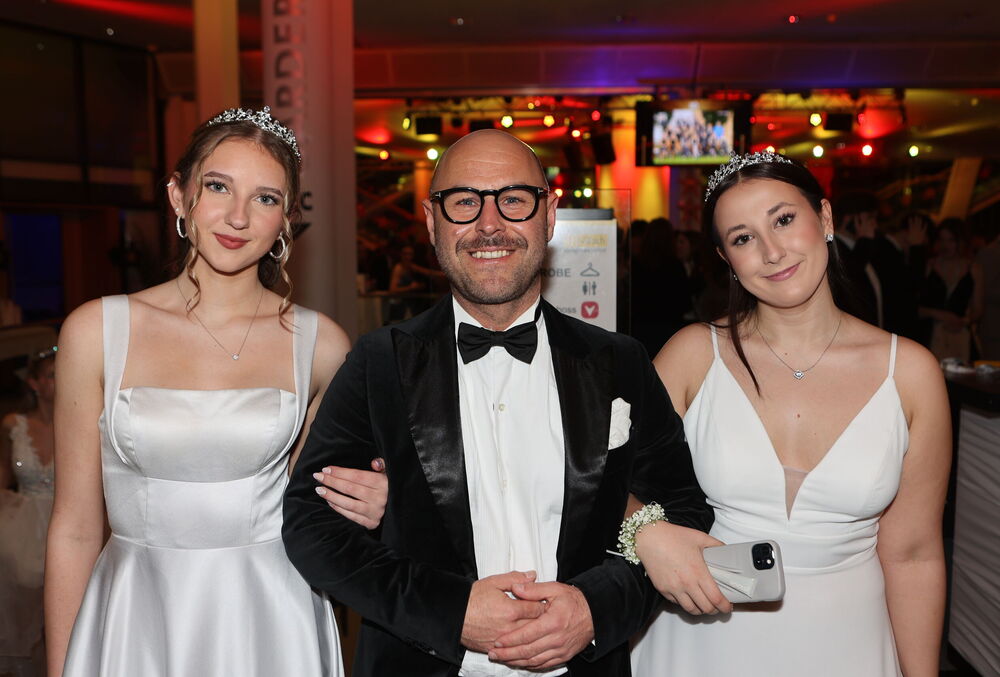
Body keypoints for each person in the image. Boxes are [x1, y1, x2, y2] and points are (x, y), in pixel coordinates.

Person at [283, 129, 714, 677]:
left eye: (513, 199)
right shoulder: (378, 363)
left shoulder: (620, 363)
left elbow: (683, 510)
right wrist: (450, 611)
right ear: (432, 221)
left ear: (549, 215)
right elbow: (312, 525)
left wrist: (595, 609)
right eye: (464, 201)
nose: (490, 224)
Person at [45, 107, 386, 677]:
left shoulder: (321, 345)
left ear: (287, 220)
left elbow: (320, 516)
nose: (237, 217)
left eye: (265, 198)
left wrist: (375, 503)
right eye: (218, 187)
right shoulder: (95, 331)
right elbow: (75, 528)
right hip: (135, 615)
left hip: (271, 617)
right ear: (178, 195)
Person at [630, 152, 950, 677]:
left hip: (847, 645)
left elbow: (913, 555)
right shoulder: (693, 355)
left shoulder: (911, 373)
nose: (772, 251)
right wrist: (644, 532)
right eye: (743, 238)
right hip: (698, 641)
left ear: (824, 218)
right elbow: (600, 479)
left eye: (783, 219)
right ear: (725, 258)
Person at [0, 348, 56, 677]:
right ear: (34, 383)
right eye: (52, 375)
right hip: (21, 522)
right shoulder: (13, 424)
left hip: (61, 519)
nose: (60, 381)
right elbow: (4, 470)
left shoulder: (80, 422)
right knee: (21, 606)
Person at [919, 219, 978, 362]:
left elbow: (978, 309)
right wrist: (939, 315)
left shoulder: (974, 268)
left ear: (961, 241)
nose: (945, 245)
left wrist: (963, 322)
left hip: (960, 337)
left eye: (951, 240)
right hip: (930, 336)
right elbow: (913, 306)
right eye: (942, 240)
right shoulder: (928, 266)